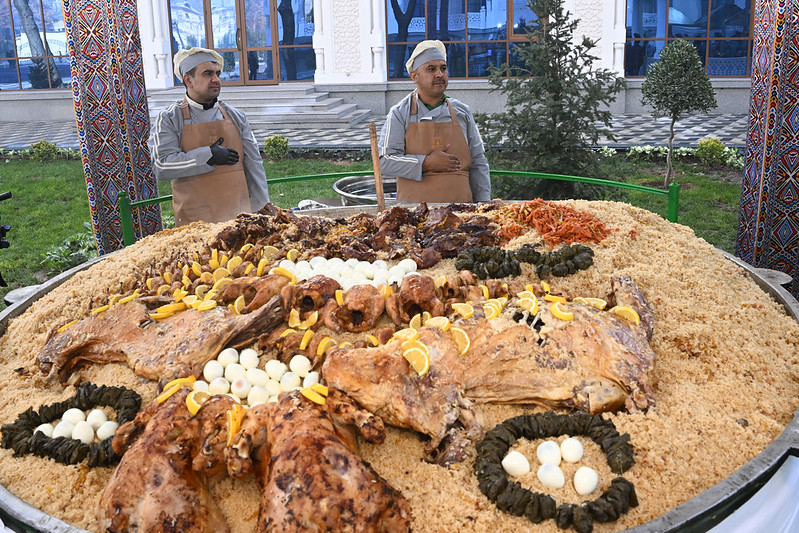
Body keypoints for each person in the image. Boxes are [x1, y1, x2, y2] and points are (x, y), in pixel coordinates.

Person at [150, 47, 269, 226]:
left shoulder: (236, 116)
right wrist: (208, 155)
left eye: (217, 74)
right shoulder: (169, 118)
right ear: (188, 80)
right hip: (195, 222)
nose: (216, 80)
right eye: (207, 74)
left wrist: (263, 206)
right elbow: (161, 166)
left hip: (238, 217)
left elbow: (254, 164)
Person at [378, 40, 491, 203]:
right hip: (413, 214)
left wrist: (484, 204)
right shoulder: (399, 113)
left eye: (443, 68)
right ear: (414, 76)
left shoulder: (462, 112)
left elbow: (478, 162)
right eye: (431, 69)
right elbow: (384, 160)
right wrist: (426, 163)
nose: (439, 74)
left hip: (462, 212)